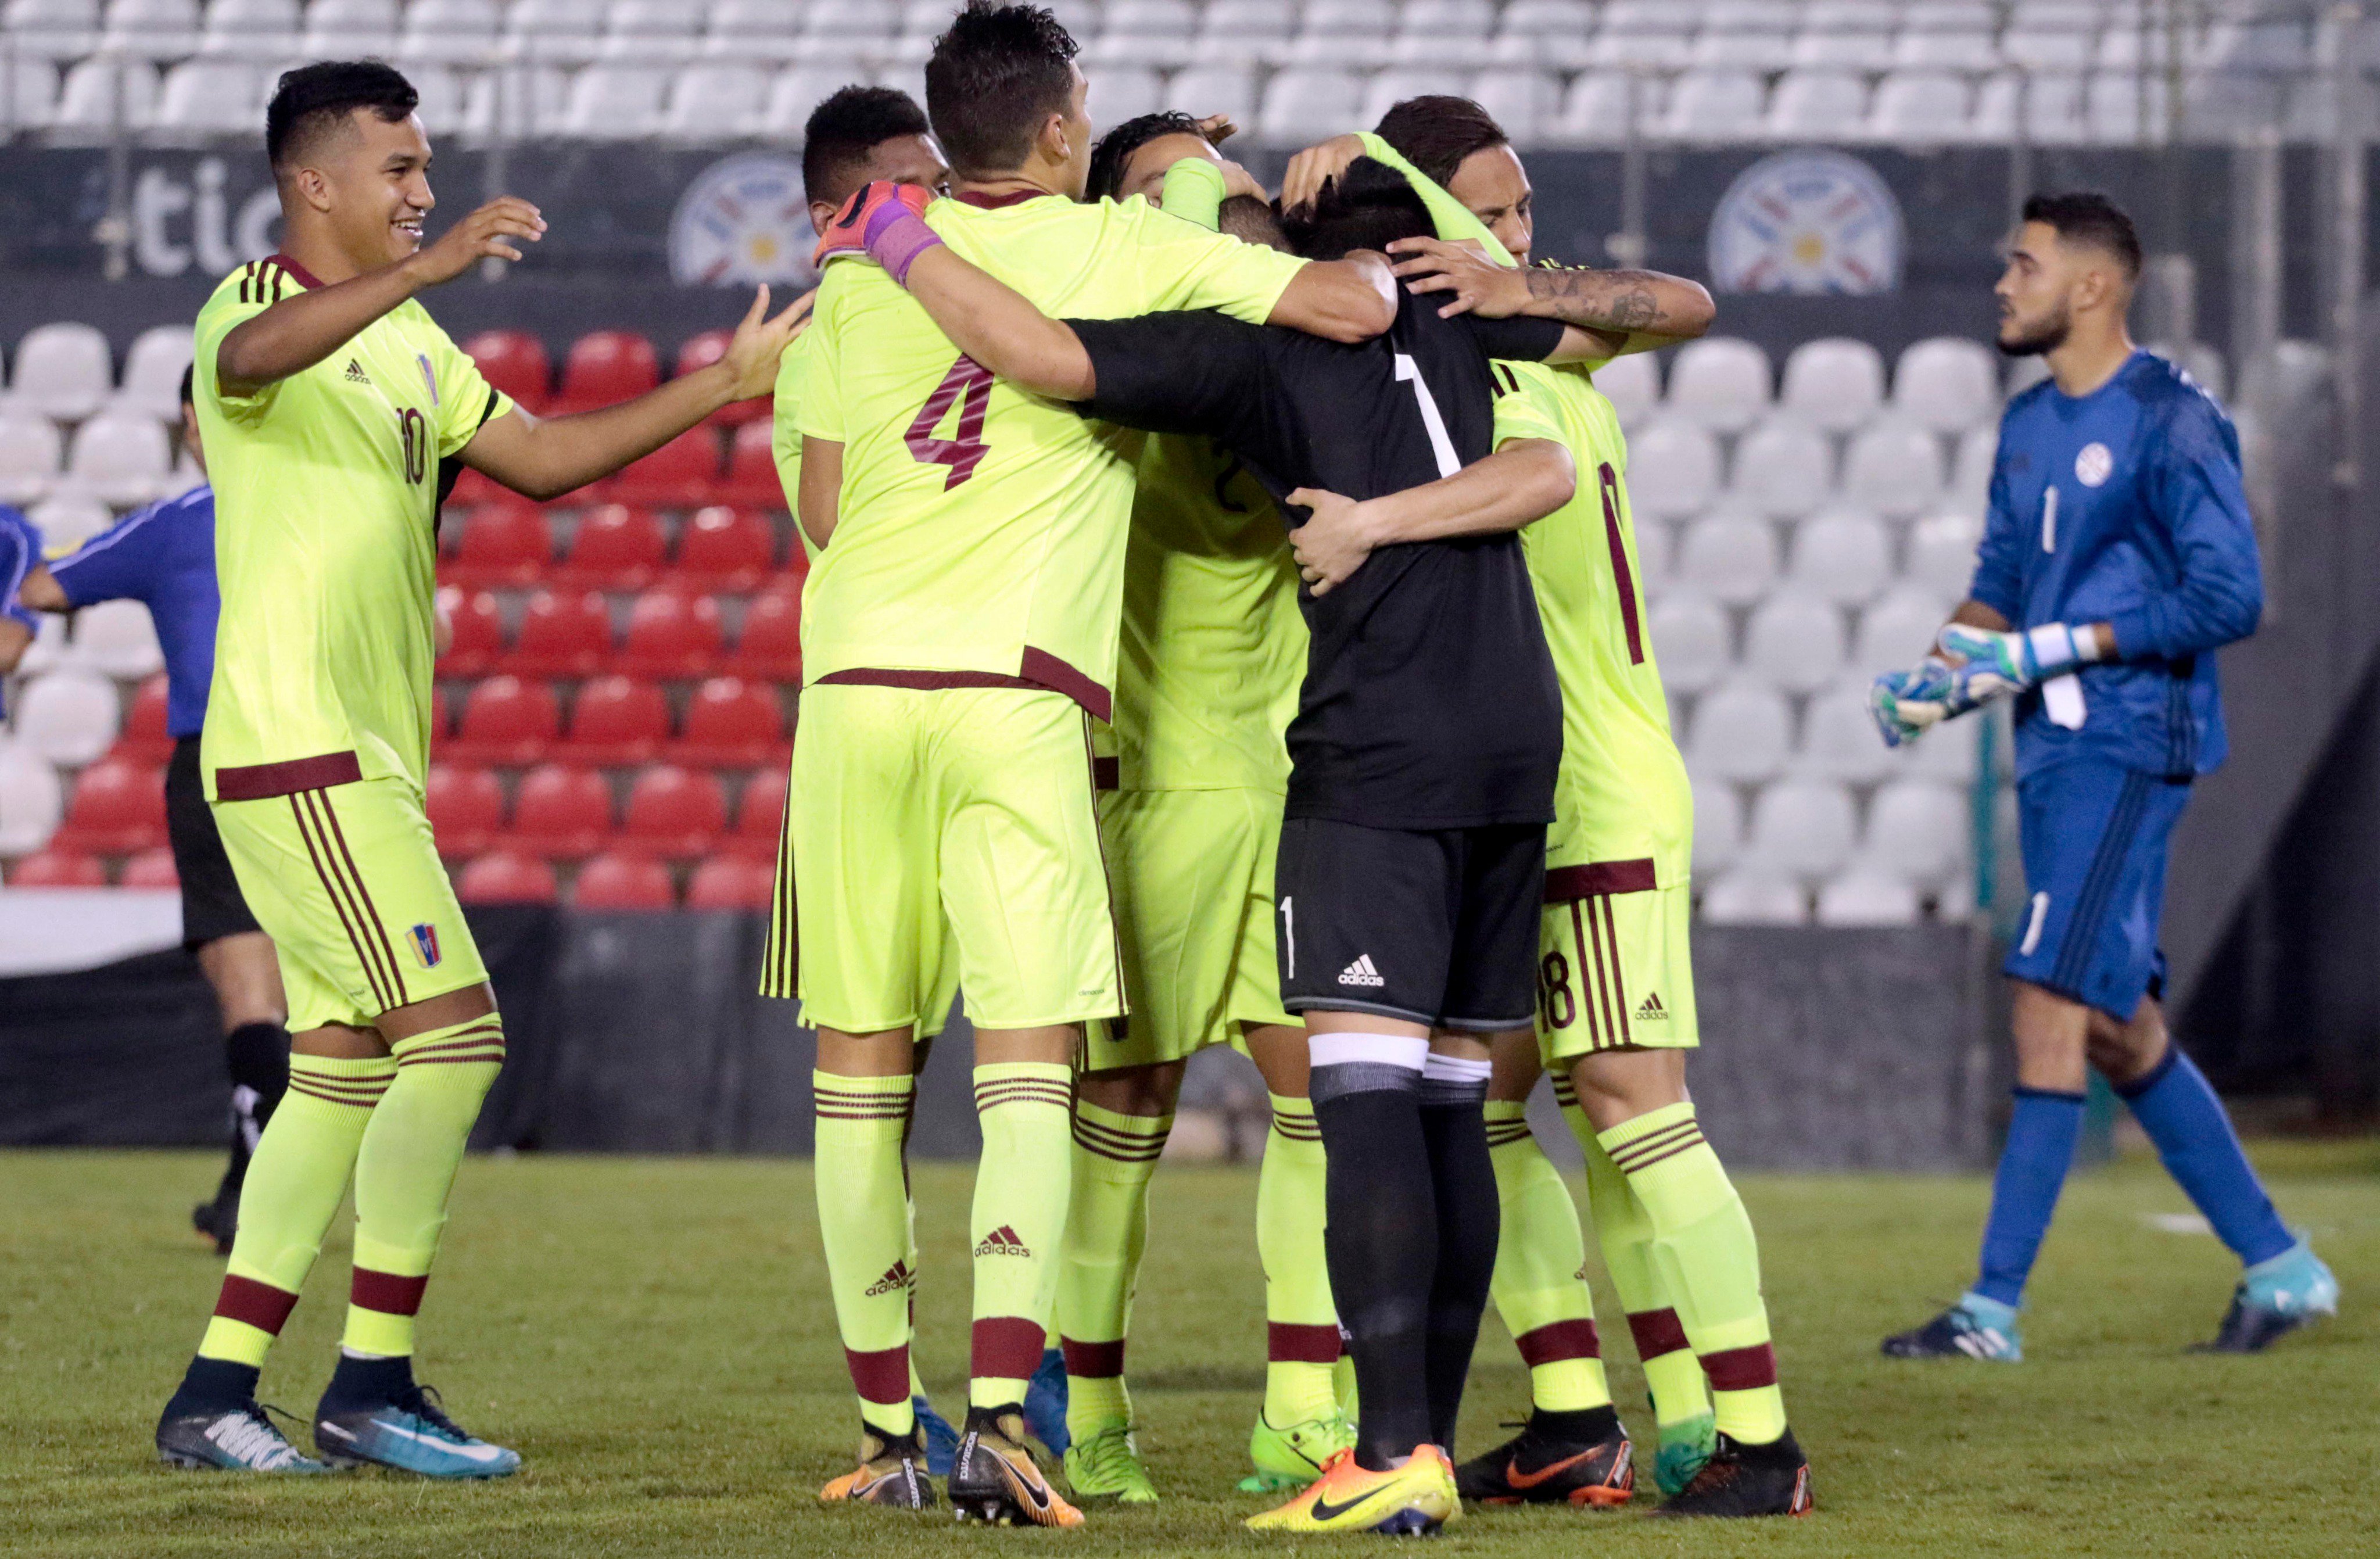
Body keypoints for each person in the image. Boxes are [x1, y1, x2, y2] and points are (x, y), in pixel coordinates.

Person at [829, 147, 1646, 1532]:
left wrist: (896, 236)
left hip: (1342, 757)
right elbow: (1579, 415)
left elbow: (1034, 353)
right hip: (1511, 732)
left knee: (1321, 1107)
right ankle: (1391, 1441)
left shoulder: (1232, 359)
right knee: (1444, 1102)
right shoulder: (1449, 308)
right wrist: (1434, 216)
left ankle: (1333, 1442)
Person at [784, 2, 1392, 1525]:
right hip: (1017, 691)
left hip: (851, 687)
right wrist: (1218, 195)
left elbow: (826, 503)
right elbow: (1346, 308)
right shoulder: (1117, 248)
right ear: (1062, 132)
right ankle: (1002, 1416)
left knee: (858, 1075)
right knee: (1027, 1072)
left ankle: (886, 1431)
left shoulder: (853, 281)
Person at [152, 59, 804, 1477]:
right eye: (398, 169)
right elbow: (251, 369)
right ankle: (371, 1378)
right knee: (455, 1039)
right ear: (311, 182)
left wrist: (725, 385)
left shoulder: (417, 349)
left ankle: (216, 1393)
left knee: (336, 1071)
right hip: (299, 747)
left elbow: (553, 459)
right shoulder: (254, 307)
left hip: (360, 760)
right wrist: (433, 265)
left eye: (427, 168)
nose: (425, 191)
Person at [1294, 99, 1811, 1519]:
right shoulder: (1490, 364)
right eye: (1488, 211)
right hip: (1520, 794)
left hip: (1588, 787)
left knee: (1636, 1106)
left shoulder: (1504, 377)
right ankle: (1578, 1414)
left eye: (1523, 213)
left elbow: (1677, 303)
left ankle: (1750, 1435)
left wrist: (1504, 282)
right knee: (1487, 1109)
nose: (1514, 238)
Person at [1873, 192, 2337, 1361]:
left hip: (2129, 739)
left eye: (2020, 266)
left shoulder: (2172, 421)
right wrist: (1937, 674)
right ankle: (2281, 1269)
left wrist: (2056, 647)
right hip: (2051, 744)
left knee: (2045, 999)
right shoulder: (2029, 424)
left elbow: (2229, 596)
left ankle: (1989, 1310)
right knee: (2118, 1030)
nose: (1999, 284)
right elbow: (1996, 582)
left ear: (2090, 287)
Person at [1033, 109, 1350, 1506]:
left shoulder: (1183, 340)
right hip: (1174, 782)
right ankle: (1094, 1415)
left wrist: (1176, 164)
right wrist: (1172, 158)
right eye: (1184, 190)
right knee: (1132, 1112)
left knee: (1295, 1107)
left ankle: (1295, 1411)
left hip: (1262, 783)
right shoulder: (1140, 331)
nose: (1225, 204)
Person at [10, 366, 293, 1257]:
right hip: (333, 759)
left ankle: (257, 1192)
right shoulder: (331, 508)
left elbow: (44, 590)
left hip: (221, 758)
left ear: (189, 427)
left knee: (247, 984)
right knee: (307, 986)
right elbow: (428, 630)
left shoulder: (175, 524)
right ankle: (267, 1181)